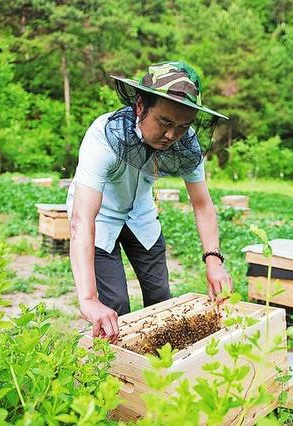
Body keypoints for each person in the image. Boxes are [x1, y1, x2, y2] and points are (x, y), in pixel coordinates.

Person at [67, 61, 233, 343]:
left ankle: (161, 367)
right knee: (115, 308)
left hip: (140, 214)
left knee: (160, 297)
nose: (171, 135)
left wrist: (213, 259)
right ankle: (116, 378)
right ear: (141, 105)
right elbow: (83, 219)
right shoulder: (103, 137)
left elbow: (202, 204)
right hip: (100, 218)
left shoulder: (186, 143)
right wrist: (88, 298)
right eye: (165, 122)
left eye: (182, 126)